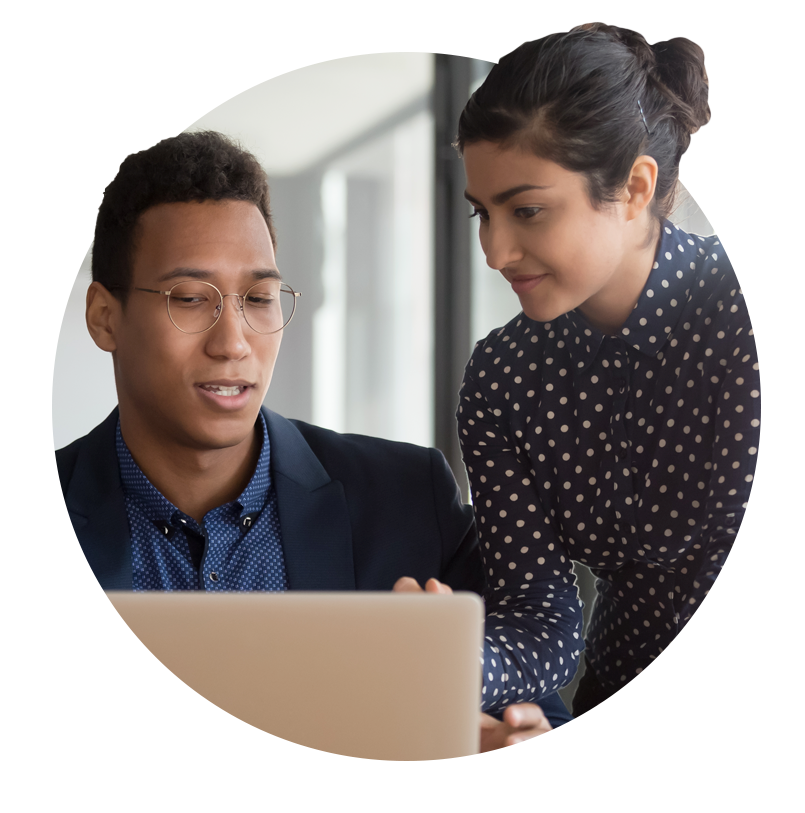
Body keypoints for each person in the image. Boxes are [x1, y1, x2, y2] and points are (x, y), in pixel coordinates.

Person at [54, 130, 558, 747]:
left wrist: (515, 736)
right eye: (190, 299)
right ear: (105, 316)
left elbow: (537, 720)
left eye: (259, 298)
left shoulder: (409, 502)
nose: (234, 343)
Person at [451, 23, 759, 717]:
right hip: (620, 722)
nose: (494, 251)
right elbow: (539, 620)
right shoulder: (503, 379)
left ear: (631, 187)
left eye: (526, 210)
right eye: (482, 214)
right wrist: (453, 662)